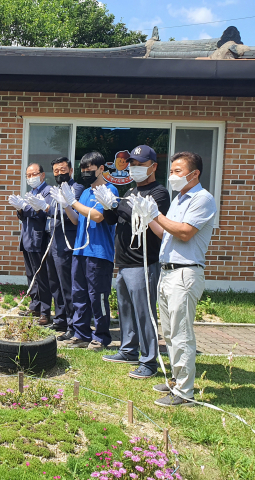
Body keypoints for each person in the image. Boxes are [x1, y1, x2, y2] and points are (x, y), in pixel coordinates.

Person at [147, 151, 216, 407]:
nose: (172, 176)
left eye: (178, 171)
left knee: (181, 332)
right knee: (170, 332)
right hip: (167, 272)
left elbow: (185, 233)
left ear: (194, 173)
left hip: (185, 272)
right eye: (172, 171)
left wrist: (157, 214)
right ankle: (176, 379)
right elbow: (164, 233)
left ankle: (185, 392)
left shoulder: (202, 199)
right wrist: (149, 217)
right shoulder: (178, 199)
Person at [99, 145, 171, 379]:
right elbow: (115, 219)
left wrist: (118, 204)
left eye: (140, 165)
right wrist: (108, 206)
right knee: (126, 310)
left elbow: (140, 215)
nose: (134, 168)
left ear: (153, 166)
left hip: (143, 262)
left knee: (144, 313)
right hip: (124, 262)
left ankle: (149, 360)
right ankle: (128, 349)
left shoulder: (158, 193)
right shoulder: (130, 192)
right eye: (132, 164)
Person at [51, 152, 118, 351]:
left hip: (99, 253)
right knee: (78, 294)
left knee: (97, 296)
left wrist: (72, 202)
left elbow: (98, 216)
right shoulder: (86, 193)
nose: (86, 173)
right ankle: (81, 334)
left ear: (101, 169)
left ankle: (101, 336)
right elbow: (75, 220)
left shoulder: (110, 189)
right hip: (80, 251)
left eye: (90, 169)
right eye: (83, 170)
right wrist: (66, 205)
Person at [8, 163, 52, 325]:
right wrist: (19, 209)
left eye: (33, 174)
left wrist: (24, 207)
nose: (30, 178)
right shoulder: (31, 192)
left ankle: (45, 312)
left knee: (42, 277)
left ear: (42, 175)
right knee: (31, 276)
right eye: (28, 175)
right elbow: (26, 215)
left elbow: (41, 214)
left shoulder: (47, 192)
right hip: (27, 238)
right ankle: (35, 306)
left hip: (39, 239)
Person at [46, 157, 84, 339]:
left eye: (62, 170)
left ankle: (72, 324)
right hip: (54, 243)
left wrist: (47, 209)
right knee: (55, 284)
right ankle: (60, 319)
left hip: (67, 244)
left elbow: (70, 216)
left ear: (70, 171)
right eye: (55, 171)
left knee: (68, 286)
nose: (59, 174)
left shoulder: (76, 189)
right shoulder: (57, 190)